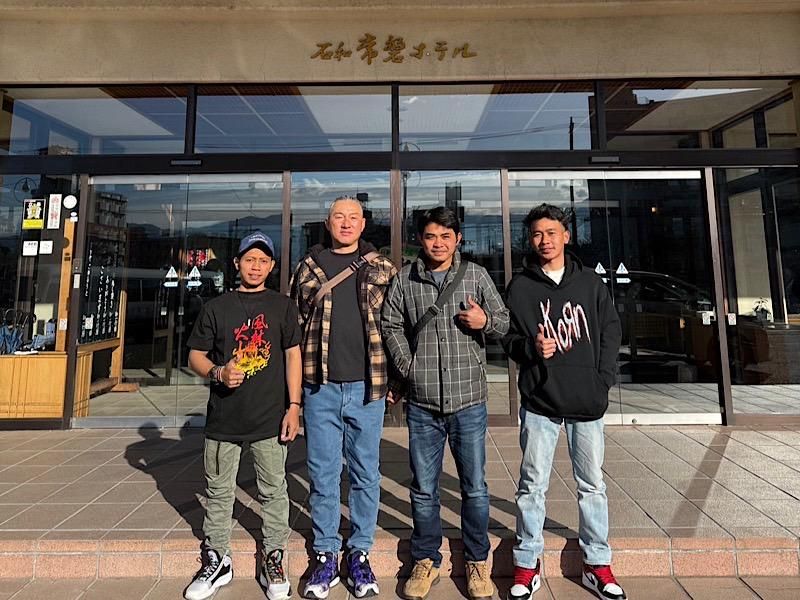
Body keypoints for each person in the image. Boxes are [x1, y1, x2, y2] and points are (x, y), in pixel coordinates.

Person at [382, 207, 510, 600]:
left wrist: (485, 322)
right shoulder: (405, 279)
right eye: (430, 236)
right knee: (424, 488)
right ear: (420, 239)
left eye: (445, 236)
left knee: (474, 487)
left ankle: (477, 560)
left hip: (468, 400)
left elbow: (504, 322)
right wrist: (409, 367)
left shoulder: (476, 275)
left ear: (458, 239)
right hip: (423, 403)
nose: (438, 243)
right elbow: (390, 324)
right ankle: (425, 559)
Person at [501, 204, 626, 600]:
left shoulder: (590, 283)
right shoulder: (520, 287)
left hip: (587, 402)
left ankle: (597, 563)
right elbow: (506, 338)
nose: (545, 240)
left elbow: (611, 332)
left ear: (566, 236)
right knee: (531, 486)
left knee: (592, 486)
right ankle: (527, 564)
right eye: (537, 234)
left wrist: (602, 381)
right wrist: (530, 348)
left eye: (552, 232)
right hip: (540, 402)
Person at [184, 231, 302, 600]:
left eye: (263, 260)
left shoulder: (283, 306)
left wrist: (294, 407)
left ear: (272, 266)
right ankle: (218, 558)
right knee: (218, 493)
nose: (256, 266)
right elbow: (195, 356)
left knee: (274, 491)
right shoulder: (216, 307)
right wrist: (217, 372)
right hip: (224, 418)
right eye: (249, 259)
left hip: (270, 417)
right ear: (237, 263)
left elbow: (293, 356)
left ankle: (274, 557)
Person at [290, 196, 398, 599]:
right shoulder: (308, 267)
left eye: (354, 217)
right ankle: (325, 553)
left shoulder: (383, 267)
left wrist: (397, 381)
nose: (347, 223)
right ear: (328, 222)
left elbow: (396, 326)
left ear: (364, 223)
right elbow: (294, 330)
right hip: (319, 386)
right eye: (339, 216)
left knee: (366, 473)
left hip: (368, 387)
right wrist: (292, 395)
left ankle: (360, 552)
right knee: (323, 473)